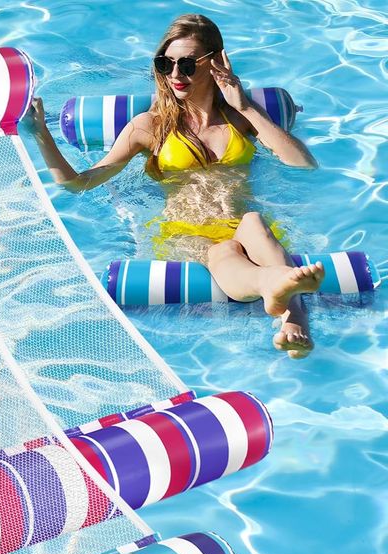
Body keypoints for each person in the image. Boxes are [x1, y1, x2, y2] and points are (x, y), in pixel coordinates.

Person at [28, 13, 325, 359]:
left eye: (186, 64)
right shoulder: (149, 127)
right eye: (164, 64)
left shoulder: (241, 118)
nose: (174, 75)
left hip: (242, 223)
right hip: (189, 232)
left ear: (214, 64)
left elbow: (303, 164)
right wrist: (41, 135)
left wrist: (244, 104)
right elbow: (80, 184)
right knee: (223, 252)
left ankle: (287, 299)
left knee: (256, 222)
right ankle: (286, 304)